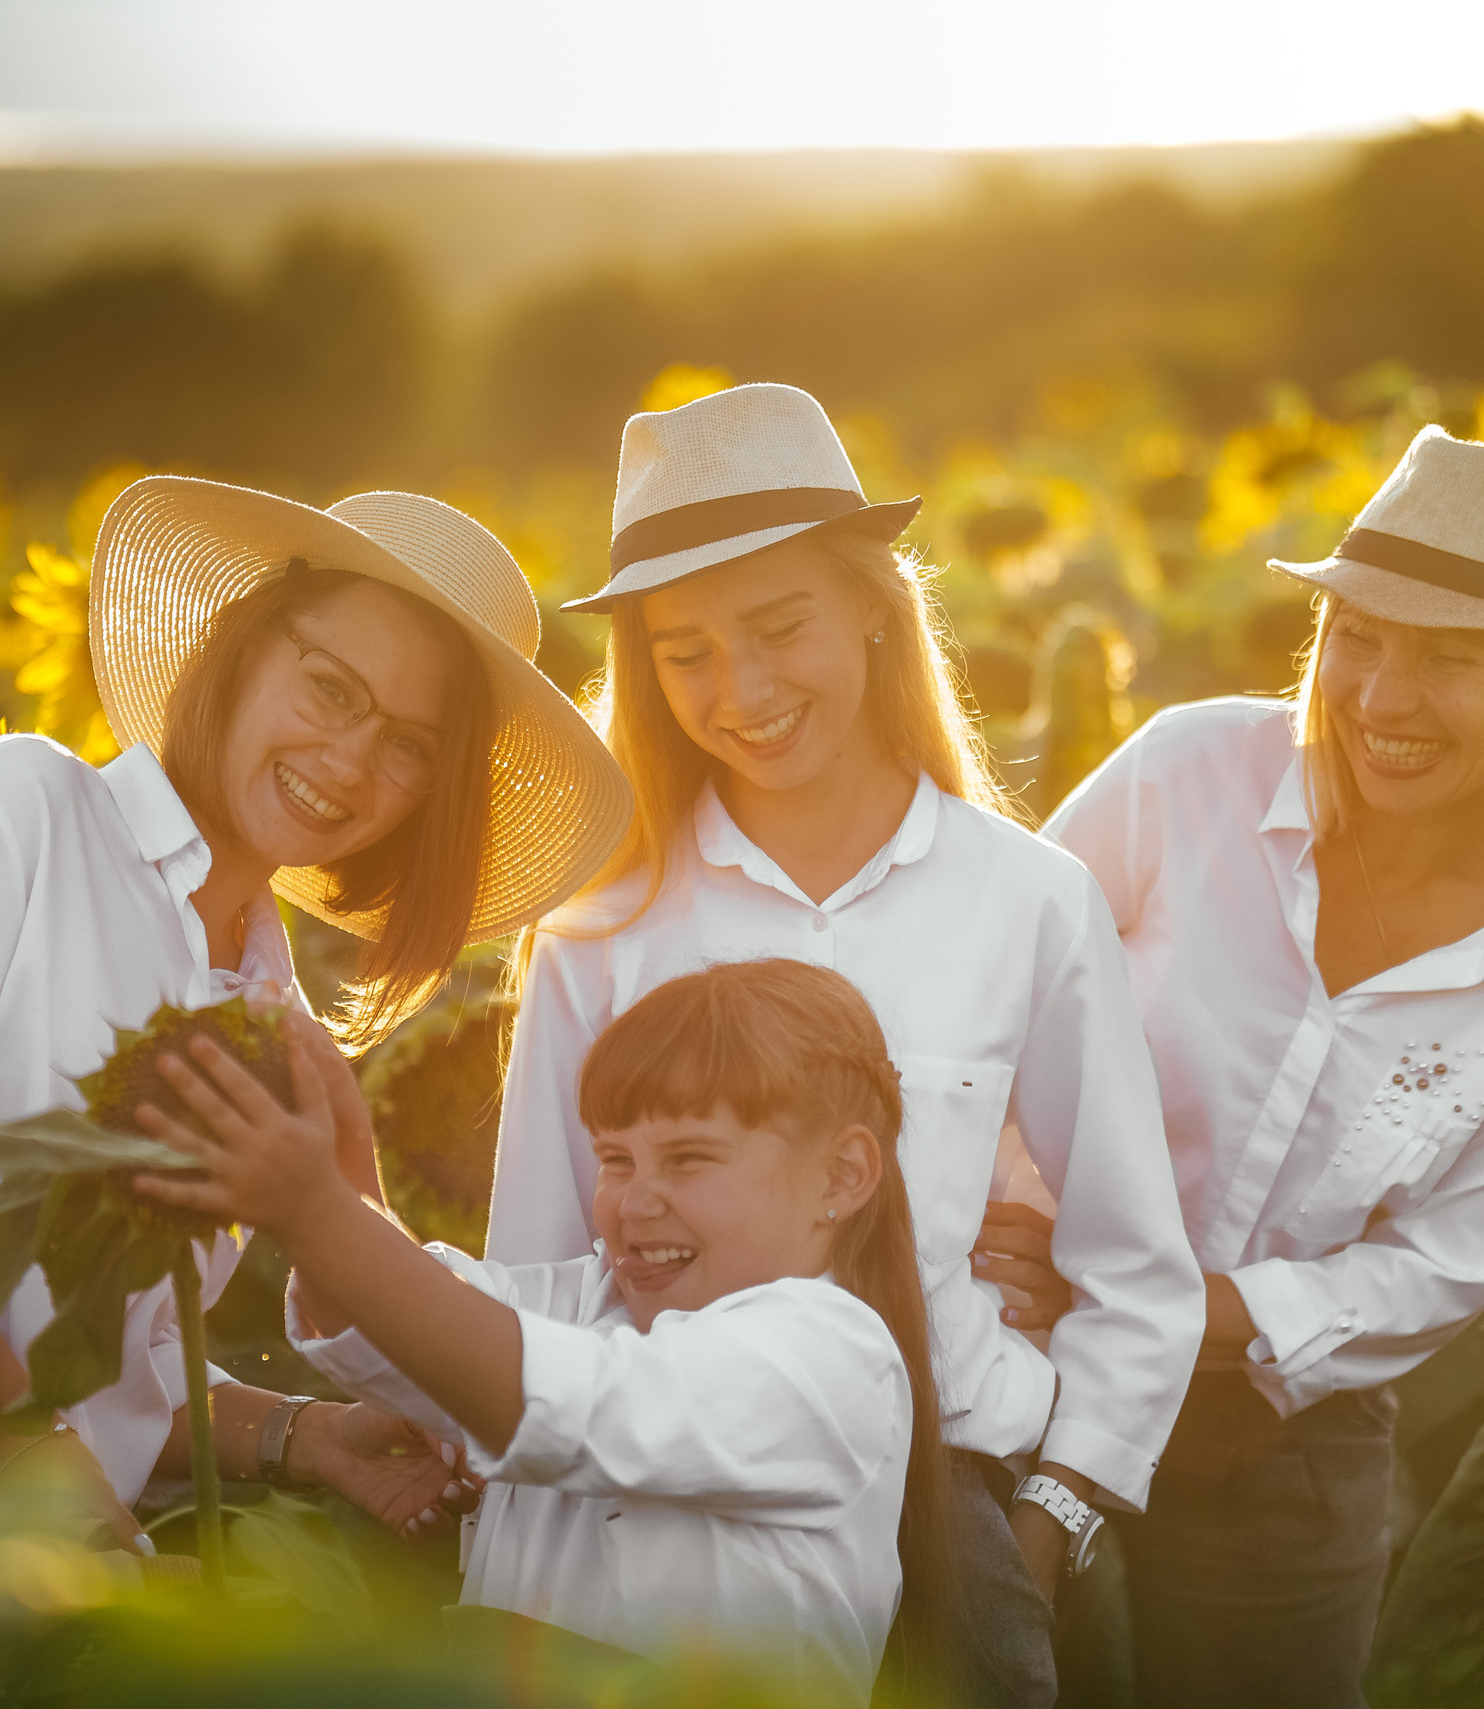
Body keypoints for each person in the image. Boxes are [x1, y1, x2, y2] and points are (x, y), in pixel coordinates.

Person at [0, 481, 631, 1548]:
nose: (353, 760)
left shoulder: (266, 1005)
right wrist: (22, 1435)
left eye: (409, 745)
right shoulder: (13, 812)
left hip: (0, 1585)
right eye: (329, 687)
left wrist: (297, 1435)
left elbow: (100, 1383)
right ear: (239, 644)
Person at [485, 382, 1204, 1703]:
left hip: (954, 1498)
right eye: (683, 650)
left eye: (778, 625)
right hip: (660, 1502)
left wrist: (1048, 1518)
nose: (741, 689)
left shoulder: (1028, 898)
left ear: (875, 607)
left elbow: (1139, 1270)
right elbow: (534, 1263)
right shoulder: (600, 927)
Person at [1029, 424, 1484, 1707]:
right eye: (1357, 636)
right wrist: (1009, 1229)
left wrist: (1196, 1313)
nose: (1378, 695)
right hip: (1023, 1359)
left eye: (1447, 657)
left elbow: (1461, 1252)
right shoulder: (1186, 772)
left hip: (1276, 1442)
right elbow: (993, 997)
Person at [131, 958, 952, 1706]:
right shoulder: (590, 1295)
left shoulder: (831, 1354)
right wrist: (344, 1154)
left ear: (841, 1175)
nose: (635, 1201)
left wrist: (317, 1215)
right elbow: (415, 1341)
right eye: (616, 1159)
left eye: (690, 1158)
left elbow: (580, 1403)